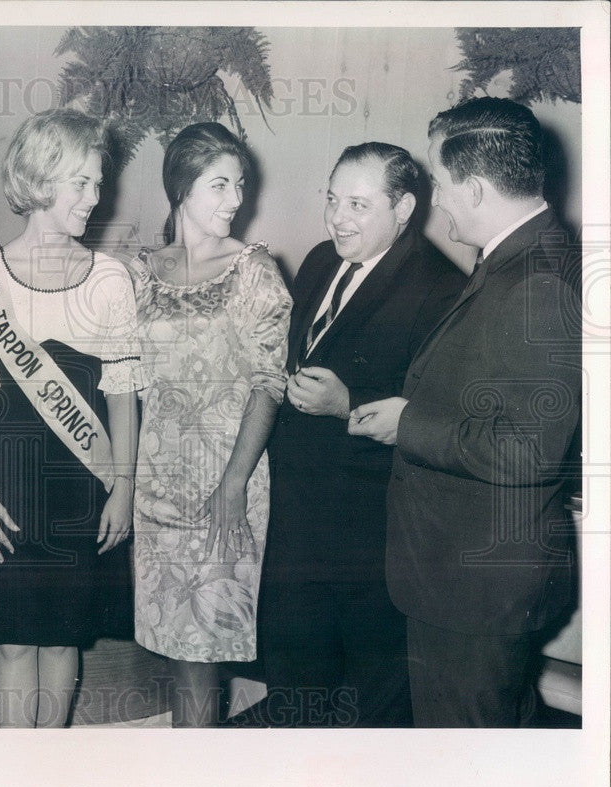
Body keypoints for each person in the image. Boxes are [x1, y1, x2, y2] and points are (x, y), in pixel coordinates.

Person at [349, 97, 580, 727]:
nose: (437, 200)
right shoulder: (521, 256)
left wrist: (408, 423)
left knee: (467, 755)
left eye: (441, 183)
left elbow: (531, 449)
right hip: (468, 576)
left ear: (475, 189)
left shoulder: (537, 282)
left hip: (476, 588)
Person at [256, 142, 465, 727]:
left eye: (357, 204)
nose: (337, 218)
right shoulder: (322, 260)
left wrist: (347, 404)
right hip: (297, 521)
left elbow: (440, 417)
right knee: (295, 687)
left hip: (371, 538)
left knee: (367, 705)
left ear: (403, 208)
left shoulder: (441, 288)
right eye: (331, 199)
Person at [0, 109, 142, 728]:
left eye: (98, 182)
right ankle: (13, 775)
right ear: (39, 179)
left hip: (81, 483)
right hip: (7, 481)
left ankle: (52, 768)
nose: (95, 196)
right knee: (13, 641)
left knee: (62, 638)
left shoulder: (110, 277)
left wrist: (124, 490)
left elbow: (122, 393)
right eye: (80, 182)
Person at [129, 122, 292, 727]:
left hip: (227, 479)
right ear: (181, 190)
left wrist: (230, 487)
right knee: (173, 648)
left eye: (239, 185)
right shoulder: (141, 270)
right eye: (218, 185)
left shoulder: (254, 270)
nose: (234, 200)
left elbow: (268, 383)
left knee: (203, 653)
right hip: (156, 483)